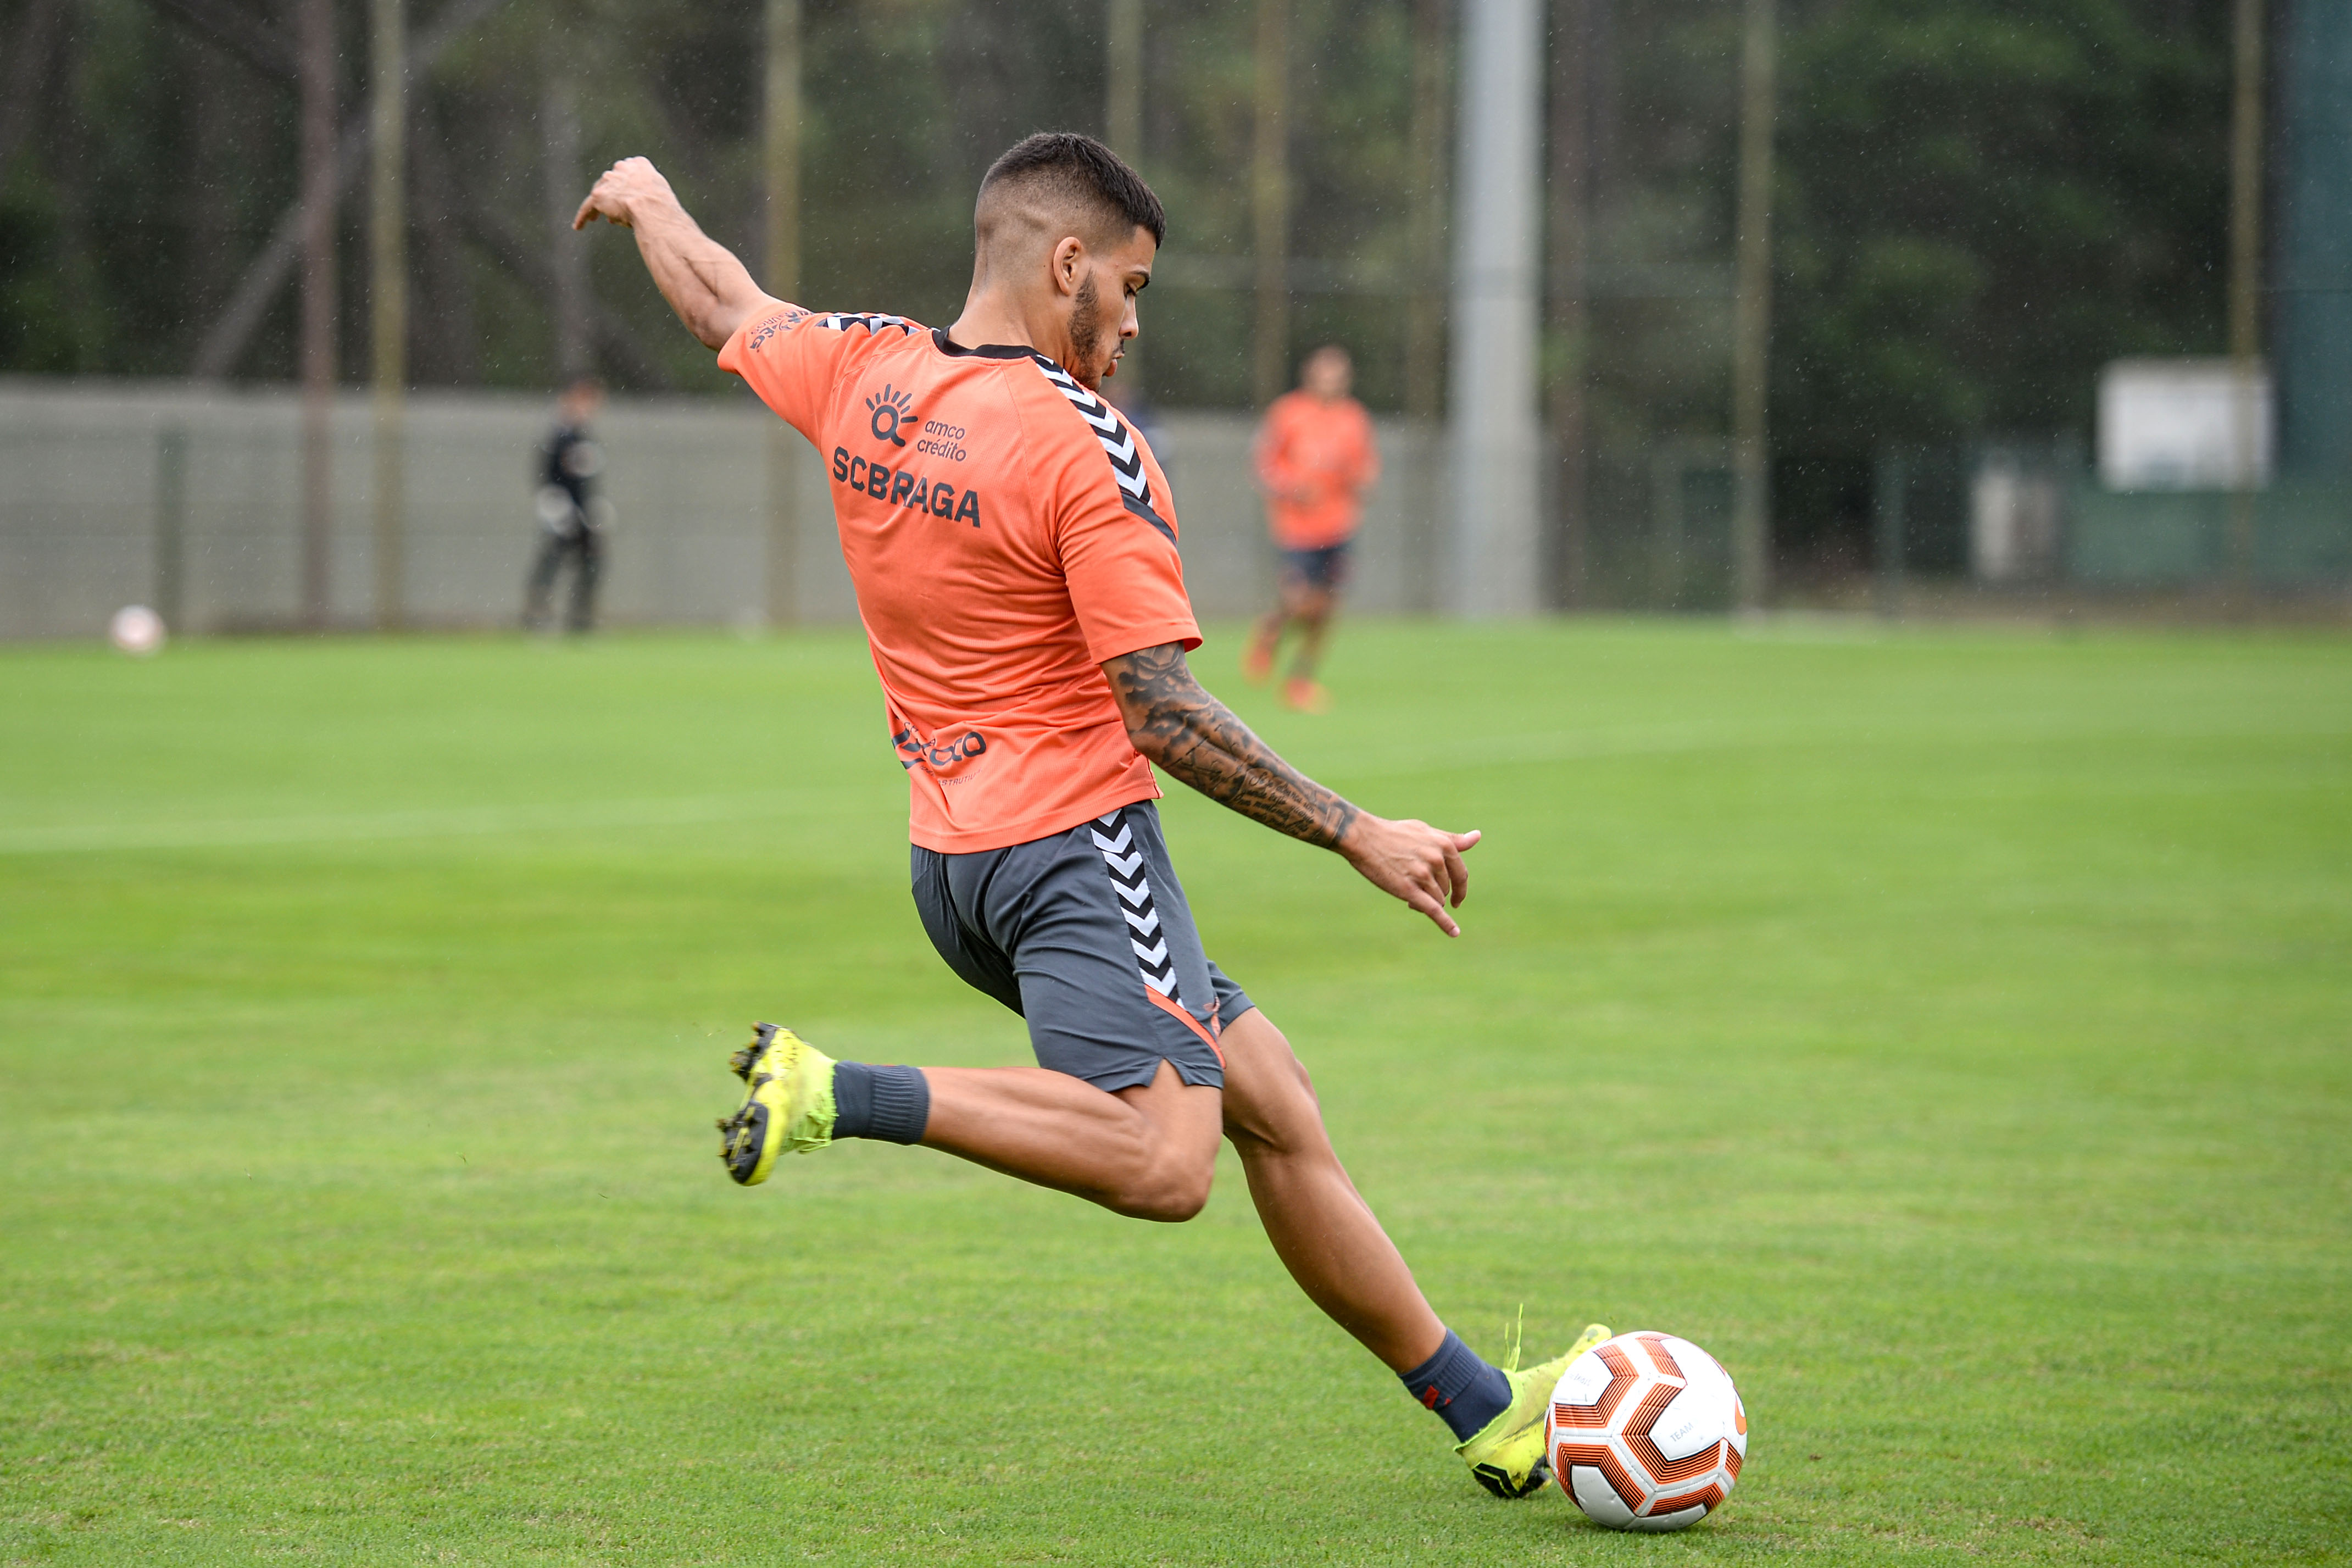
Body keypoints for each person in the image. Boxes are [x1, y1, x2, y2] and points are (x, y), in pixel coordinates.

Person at [573, 132, 1606, 1501]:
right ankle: (834, 1091)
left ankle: (1486, 1410)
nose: (1131, 322)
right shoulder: (1083, 444)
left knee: (1274, 1102)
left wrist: (648, 196)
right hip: (1076, 850)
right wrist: (1356, 829)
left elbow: (723, 301)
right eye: (1130, 286)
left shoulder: (869, 368)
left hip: (953, 867)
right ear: (1068, 263)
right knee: (1167, 1158)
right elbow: (1161, 710)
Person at [1242, 345, 1379, 713]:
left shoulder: (1354, 418)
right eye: (1324, 374)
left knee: (1326, 610)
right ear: (1310, 376)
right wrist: (1290, 487)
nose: (1331, 382)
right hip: (1296, 529)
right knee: (1297, 601)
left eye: (1338, 376)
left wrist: (1363, 482)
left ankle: (1300, 680)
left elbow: (1365, 468)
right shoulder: (1288, 413)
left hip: (1338, 527)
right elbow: (1263, 465)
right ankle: (1271, 630)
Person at [522, 376, 607, 633]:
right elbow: (547, 474)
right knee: (551, 562)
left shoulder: (583, 436)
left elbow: (585, 480)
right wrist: (554, 504)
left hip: (581, 512)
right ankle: (536, 617)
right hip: (560, 511)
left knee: (593, 562)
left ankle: (581, 620)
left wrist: (593, 508)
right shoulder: (558, 436)